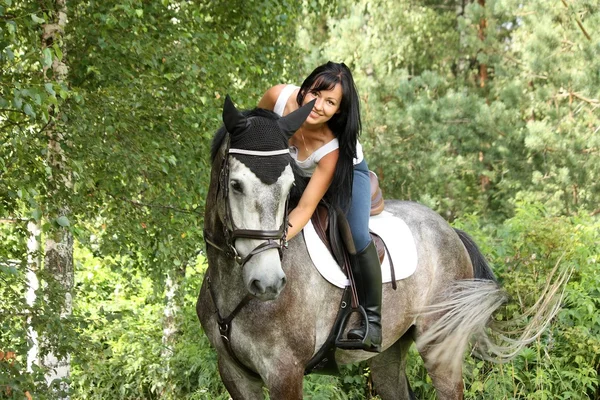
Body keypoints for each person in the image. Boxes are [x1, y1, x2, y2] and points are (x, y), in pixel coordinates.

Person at [258, 61, 382, 352]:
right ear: (306, 87)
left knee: (356, 233)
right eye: (316, 94)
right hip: (292, 172)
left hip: (346, 174)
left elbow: (304, 209)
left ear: (339, 110)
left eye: (331, 102)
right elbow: (257, 141)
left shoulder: (331, 146)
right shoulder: (275, 98)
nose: (319, 105)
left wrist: (271, 241)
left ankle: (373, 322)